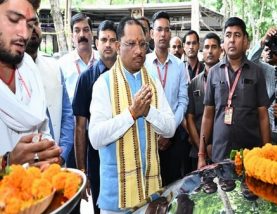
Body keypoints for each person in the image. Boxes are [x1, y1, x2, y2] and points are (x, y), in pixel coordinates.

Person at [88, 17, 176, 213]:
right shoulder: (104, 84)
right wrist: (131, 114)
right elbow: (95, 138)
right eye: (131, 44)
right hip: (116, 199)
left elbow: (170, 128)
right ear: (119, 46)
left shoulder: (152, 82)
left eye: (142, 44)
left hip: (151, 196)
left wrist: (148, 112)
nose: (139, 50)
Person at [198, 17, 270, 166]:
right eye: (228, 35)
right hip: (220, 153)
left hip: (251, 154)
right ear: (223, 42)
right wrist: (201, 155)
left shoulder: (256, 72)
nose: (232, 40)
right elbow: (208, 115)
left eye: (237, 35)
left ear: (245, 41)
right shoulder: (214, 73)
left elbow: (263, 116)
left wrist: (267, 153)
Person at [0, 0, 61, 170]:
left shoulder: (29, 70)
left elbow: (43, 131)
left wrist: (46, 156)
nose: (25, 34)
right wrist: (8, 163)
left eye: (30, 24)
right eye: (13, 19)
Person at [72, 20, 118, 214]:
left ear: (118, 44)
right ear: (97, 43)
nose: (108, 44)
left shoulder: (128, 76)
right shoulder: (86, 79)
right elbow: (80, 128)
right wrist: (83, 172)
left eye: (112, 40)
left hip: (126, 157)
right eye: (104, 40)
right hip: (97, 159)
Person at [145, 11, 189, 186]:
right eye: (159, 29)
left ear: (170, 33)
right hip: (148, 136)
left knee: (172, 189)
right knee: (150, 190)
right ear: (151, 33)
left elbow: (183, 100)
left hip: (174, 137)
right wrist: (157, 133)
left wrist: (169, 129)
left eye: (167, 30)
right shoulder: (143, 64)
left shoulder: (179, 66)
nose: (163, 34)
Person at [26, 18, 74, 166]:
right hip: (24, 167)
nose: (34, 28)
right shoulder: (9, 73)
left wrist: (61, 154)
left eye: (36, 23)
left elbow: (67, 115)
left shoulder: (54, 66)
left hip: (57, 162)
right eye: (28, 24)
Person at [186, 32, 222, 170]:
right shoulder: (195, 83)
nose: (210, 51)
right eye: (206, 47)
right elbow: (190, 118)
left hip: (221, 150)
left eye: (214, 47)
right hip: (198, 152)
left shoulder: (228, 80)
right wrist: (201, 147)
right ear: (202, 51)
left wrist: (214, 146)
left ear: (220, 51)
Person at [58, 12, 99, 102]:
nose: (82, 35)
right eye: (77, 30)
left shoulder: (102, 61)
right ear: (72, 36)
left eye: (86, 30)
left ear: (91, 34)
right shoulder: (62, 65)